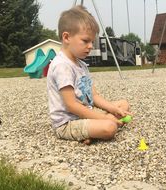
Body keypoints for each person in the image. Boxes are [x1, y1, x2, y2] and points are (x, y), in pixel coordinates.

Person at [47, 5, 131, 144]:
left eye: (92, 41)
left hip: (85, 115)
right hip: (68, 123)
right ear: (66, 37)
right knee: (109, 128)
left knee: (123, 104)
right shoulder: (62, 66)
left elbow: (94, 96)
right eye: (86, 41)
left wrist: (113, 109)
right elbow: (71, 106)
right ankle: (95, 128)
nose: (91, 46)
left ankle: (92, 131)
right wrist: (104, 118)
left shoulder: (81, 65)